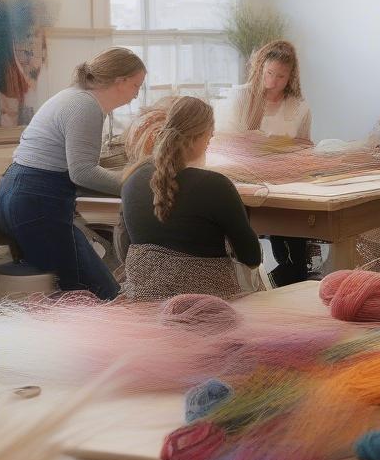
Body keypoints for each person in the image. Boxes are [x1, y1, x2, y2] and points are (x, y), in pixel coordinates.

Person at [0, 47, 146, 299]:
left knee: (96, 292)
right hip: (36, 202)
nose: (136, 95)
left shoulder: (76, 97)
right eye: (135, 86)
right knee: (92, 295)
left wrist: (128, 179)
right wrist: (137, 186)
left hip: (23, 193)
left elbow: (75, 169)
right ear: (119, 82)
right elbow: (83, 172)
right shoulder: (85, 106)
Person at [121, 96, 261, 300]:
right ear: (200, 137)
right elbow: (251, 257)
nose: (209, 144)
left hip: (144, 300)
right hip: (207, 303)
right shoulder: (216, 185)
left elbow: (125, 244)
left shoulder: (132, 179)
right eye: (210, 137)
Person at [214, 40, 311, 286]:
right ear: (260, 69)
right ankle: (263, 282)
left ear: (291, 77)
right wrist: (266, 145)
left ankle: (285, 280)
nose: (273, 81)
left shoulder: (298, 107)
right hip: (241, 181)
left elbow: (305, 146)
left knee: (294, 255)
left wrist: (274, 147)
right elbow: (225, 142)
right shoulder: (240, 97)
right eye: (269, 73)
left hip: (284, 183)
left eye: (281, 76)